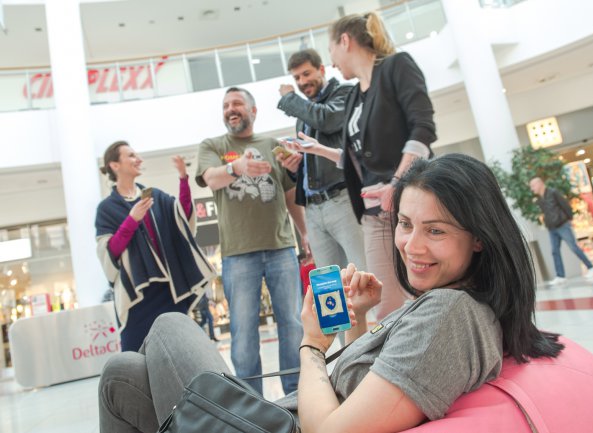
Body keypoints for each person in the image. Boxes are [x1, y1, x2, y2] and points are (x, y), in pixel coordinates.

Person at [98, 153, 568, 433]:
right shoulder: (452, 304)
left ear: (480, 236)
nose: (412, 246)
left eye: (436, 230)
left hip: (279, 427)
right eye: (405, 224)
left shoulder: (451, 315)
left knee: (169, 325)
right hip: (277, 416)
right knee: (121, 373)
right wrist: (357, 322)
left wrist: (312, 345)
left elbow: (330, 430)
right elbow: (366, 393)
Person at [284, 12, 436, 321]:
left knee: (417, 292)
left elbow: (423, 128)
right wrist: (316, 150)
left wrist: (397, 184)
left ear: (345, 41)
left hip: (404, 202)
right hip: (368, 209)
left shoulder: (395, 67)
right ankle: (367, 349)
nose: (333, 62)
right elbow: (356, 158)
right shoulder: (355, 94)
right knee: (380, 304)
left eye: (331, 52)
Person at [195, 87, 306, 395]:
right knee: (243, 333)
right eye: (226, 105)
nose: (231, 109)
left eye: (237, 104)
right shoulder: (213, 146)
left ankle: (296, 394)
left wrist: (305, 232)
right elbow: (210, 178)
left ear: (253, 111)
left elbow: (289, 195)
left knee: (293, 324)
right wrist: (236, 167)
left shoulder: (273, 146)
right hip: (237, 254)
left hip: (281, 248)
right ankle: (250, 402)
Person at [95, 141, 216, 352]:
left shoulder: (154, 197)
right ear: (115, 165)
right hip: (137, 296)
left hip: (170, 292)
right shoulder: (107, 208)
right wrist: (132, 220)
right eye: (131, 156)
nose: (138, 159)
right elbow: (110, 252)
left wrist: (183, 179)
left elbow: (182, 219)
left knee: (180, 353)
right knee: (135, 358)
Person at [276, 48, 366, 271]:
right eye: (297, 77)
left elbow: (327, 120)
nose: (302, 81)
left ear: (322, 69)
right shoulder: (304, 114)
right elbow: (311, 162)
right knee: (328, 285)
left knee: (363, 274)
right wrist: (294, 168)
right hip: (313, 210)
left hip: (343, 200)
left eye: (306, 73)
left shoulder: (344, 92)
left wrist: (289, 98)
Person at [529, 177, 593, 285]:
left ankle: (590, 267)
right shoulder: (540, 199)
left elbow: (565, 205)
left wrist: (569, 219)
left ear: (540, 183)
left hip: (563, 225)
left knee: (573, 247)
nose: (532, 189)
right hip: (552, 228)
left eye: (533, 186)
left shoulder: (553, 193)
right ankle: (560, 276)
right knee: (555, 251)